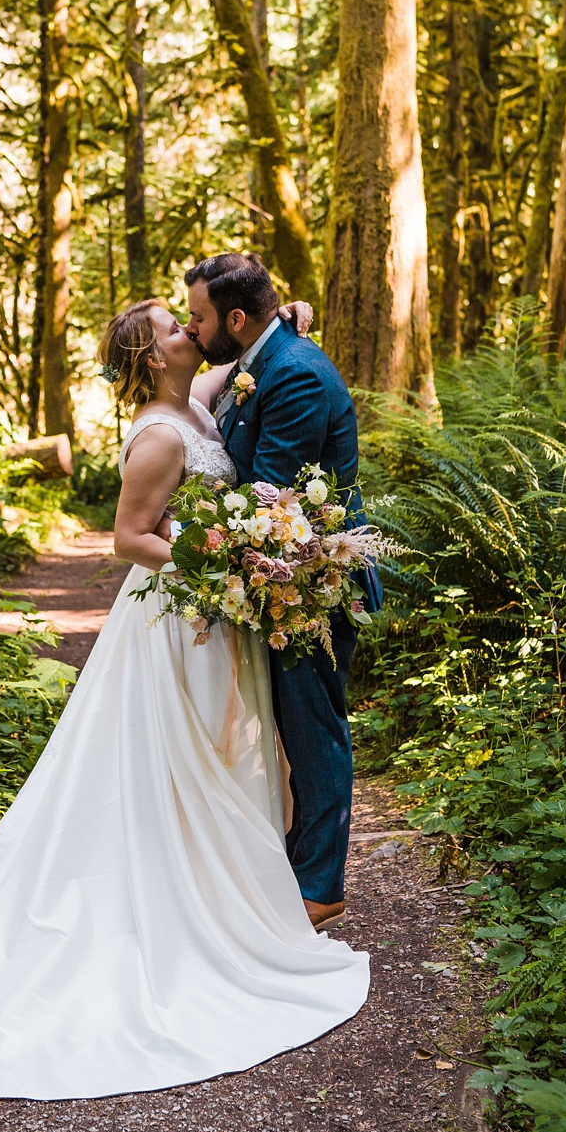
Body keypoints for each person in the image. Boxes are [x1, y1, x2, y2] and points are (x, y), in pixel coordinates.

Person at [0, 296, 369, 1101]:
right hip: (178, 622)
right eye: (173, 329)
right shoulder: (158, 436)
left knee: (223, 761)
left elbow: (239, 355)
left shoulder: (197, 399)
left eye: (191, 324)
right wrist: (222, 562)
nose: (191, 333)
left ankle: (229, 894)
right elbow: (129, 538)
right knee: (184, 765)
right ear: (153, 357)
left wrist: (281, 317)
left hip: (214, 619)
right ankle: (183, 911)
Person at [185, 253, 382, 934]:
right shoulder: (262, 358)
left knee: (313, 728)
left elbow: (266, 502)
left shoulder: (292, 374)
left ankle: (321, 886)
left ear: (235, 319)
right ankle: (295, 865)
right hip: (279, 580)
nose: (193, 326)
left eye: (201, 317)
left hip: (307, 584)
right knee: (290, 726)